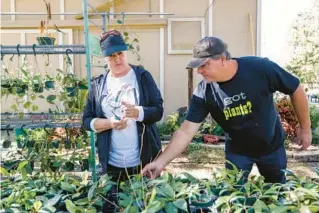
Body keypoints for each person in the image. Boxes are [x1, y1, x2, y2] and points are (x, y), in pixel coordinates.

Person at [142, 36, 312, 184]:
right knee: (233, 197)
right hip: (238, 152)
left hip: (271, 146)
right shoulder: (204, 91)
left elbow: (295, 88)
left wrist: (305, 128)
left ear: (222, 59)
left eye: (204, 65)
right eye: (197, 66)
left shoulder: (260, 69)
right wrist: (161, 162)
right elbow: (186, 131)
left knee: (277, 194)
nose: (199, 71)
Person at [83, 29, 163, 182]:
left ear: (126, 53)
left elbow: (158, 111)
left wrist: (138, 112)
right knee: (114, 203)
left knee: (145, 202)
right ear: (105, 57)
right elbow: (86, 121)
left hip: (144, 161)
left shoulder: (142, 77)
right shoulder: (97, 84)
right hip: (112, 164)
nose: (117, 59)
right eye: (111, 55)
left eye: (120, 53)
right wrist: (109, 123)